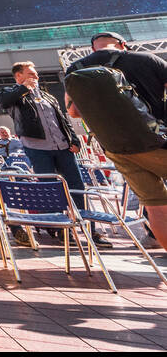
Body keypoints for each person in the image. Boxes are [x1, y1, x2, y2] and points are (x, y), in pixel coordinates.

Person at [65, 32, 167, 248]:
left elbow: (73, 111)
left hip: (116, 148)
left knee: (156, 206)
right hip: (158, 141)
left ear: (93, 49)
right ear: (123, 45)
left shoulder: (75, 69)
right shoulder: (146, 59)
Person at [1, 61, 109, 248]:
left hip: (62, 147)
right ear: (19, 76)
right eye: (31, 74)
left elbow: (63, 121)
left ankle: (88, 229)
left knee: (76, 186)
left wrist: (74, 141)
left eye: (36, 74)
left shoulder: (47, 97)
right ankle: (61, 229)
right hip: (37, 147)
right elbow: (5, 101)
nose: (36, 77)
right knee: (50, 187)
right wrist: (24, 88)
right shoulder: (13, 94)